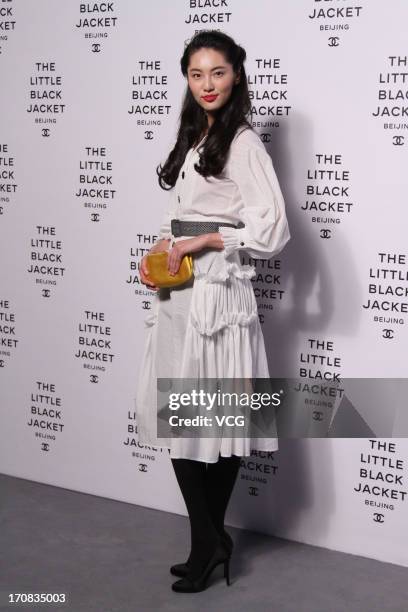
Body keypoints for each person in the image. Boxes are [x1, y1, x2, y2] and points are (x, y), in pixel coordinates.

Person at [135, 30, 291, 593]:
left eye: (218, 73)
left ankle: (207, 544)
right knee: (184, 420)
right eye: (197, 74)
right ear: (187, 77)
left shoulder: (244, 143)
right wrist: (159, 252)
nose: (207, 84)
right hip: (178, 293)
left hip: (218, 299)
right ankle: (212, 541)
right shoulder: (192, 135)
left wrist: (205, 243)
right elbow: (181, 215)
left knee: (216, 420)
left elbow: (272, 229)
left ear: (236, 75)